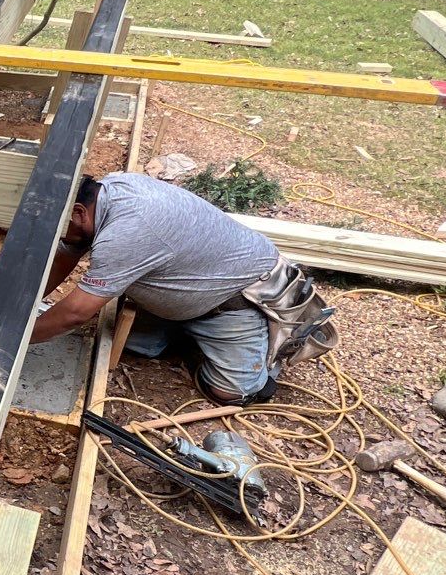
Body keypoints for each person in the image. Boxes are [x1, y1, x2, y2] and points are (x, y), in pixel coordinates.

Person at [29, 171, 335, 404]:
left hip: (239, 299)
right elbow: (66, 254)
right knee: (140, 347)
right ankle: (185, 324)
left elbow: (75, 313)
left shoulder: (127, 233)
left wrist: (14, 342)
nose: (62, 237)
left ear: (79, 212)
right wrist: (23, 306)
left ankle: (252, 349)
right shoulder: (108, 190)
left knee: (231, 393)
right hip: (202, 277)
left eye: (61, 228)